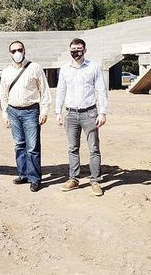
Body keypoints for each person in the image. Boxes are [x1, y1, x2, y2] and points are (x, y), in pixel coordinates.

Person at [55, 38, 108, 197]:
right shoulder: (65, 69)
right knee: (72, 148)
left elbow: (101, 90)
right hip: (70, 113)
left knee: (94, 148)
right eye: (73, 48)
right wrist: (58, 112)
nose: (75, 51)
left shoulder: (93, 67)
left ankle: (95, 180)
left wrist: (102, 112)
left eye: (79, 48)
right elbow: (61, 91)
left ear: (85, 50)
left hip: (90, 113)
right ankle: (73, 179)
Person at [0, 41, 51, 192]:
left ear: (24, 51)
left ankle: (35, 178)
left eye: (19, 50)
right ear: (10, 53)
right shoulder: (7, 71)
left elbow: (44, 90)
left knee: (33, 147)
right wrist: (5, 114)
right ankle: (23, 174)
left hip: (31, 111)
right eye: (14, 50)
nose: (17, 53)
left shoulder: (35, 68)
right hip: (13, 111)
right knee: (19, 145)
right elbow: (3, 94)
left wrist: (44, 111)